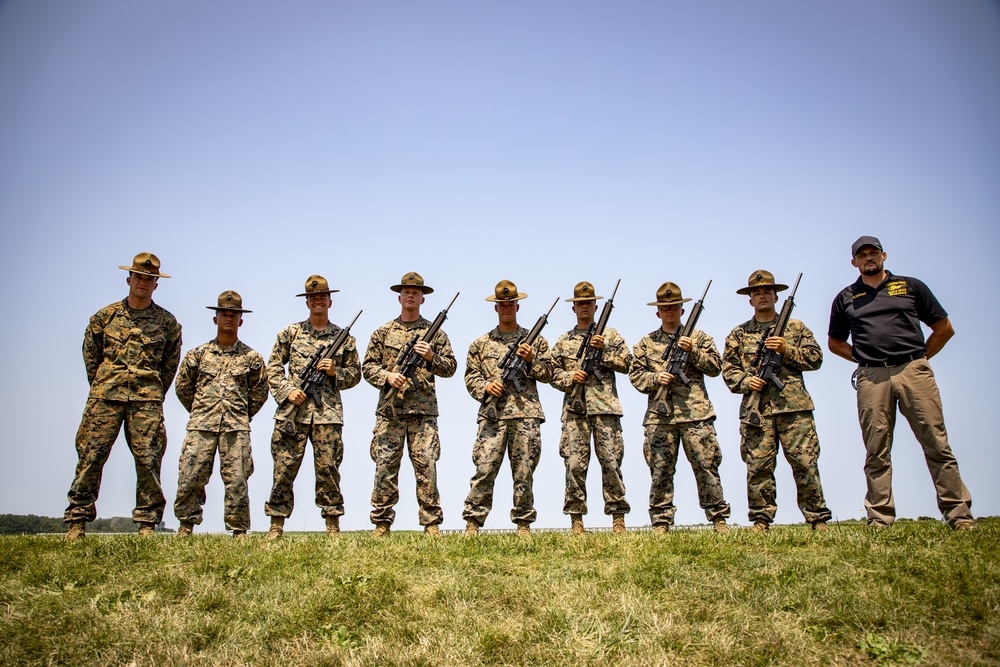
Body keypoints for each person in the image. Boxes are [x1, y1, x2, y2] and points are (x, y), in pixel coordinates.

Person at [828, 236, 974, 530]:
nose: (868, 258)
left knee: (936, 443)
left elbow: (944, 328)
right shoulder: (845, 297)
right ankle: (880, 519)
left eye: (873, 253)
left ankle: (959, 516)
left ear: (884, 256)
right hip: (872, 377)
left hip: (913, 370)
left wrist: (919, 359)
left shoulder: (910, 286)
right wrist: (864, 358)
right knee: (876, 449)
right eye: (862, 255)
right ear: (853, 262)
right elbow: (834, 342)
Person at [64, 252, 182, 540]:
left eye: (149, 279)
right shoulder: (105, 317)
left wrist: (151, 391)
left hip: (146, 401)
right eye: (139, 277)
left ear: (156, 285)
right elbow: (91, 357)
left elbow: (169, 365)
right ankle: (77, 520)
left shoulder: (167, 323)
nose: (143, 282)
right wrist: (104, 384)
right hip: (105, 398)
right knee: (91, 457)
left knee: (148, 460)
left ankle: (147, 523)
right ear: (129, 279)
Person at [722, 271, 832, 533]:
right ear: (750, 300)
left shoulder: (795, 328)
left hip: (794, 407)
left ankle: (817, 518)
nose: (762, 296)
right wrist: (748, 382)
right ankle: (761, 519)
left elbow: (815, 358)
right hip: (757, 410)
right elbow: (728, 370)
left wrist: (786, 350)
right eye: (757, 293)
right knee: (758, 465)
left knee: (805, 462)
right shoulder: (738, 334)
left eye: (767, 292)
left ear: (775, 296)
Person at [629, 282, 731, 535]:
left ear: (682, 310)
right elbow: (636, 376)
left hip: (696, 415)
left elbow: (716, 367)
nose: (670, 311)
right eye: (665, 308)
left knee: (706, 466)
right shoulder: (646, 342)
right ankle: (661, 521)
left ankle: (718, 518)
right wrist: (656, 379)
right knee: (660, 470)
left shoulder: (699, 338)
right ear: (658, 313)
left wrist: (693, 351)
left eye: (674, 307)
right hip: (660, 417)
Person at [264, 275, 361, 540]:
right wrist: (287, 391)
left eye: (322, 297)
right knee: (283, 469)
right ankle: (276, 524)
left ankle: (332, 525)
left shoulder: (343, 338)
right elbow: (272, 367)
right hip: (292, 413)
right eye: (313, 297)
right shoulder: (290, 333)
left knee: (329, 469)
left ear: (330, 301)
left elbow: (355, 374)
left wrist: (334, 372)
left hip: (327, 415)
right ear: (307, 302)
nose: (318, 301)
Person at [362, 272, 457, 538]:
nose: (411, 295)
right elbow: (367, 367)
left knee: (426, 466)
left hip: (423, 412)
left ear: (422, 298)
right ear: (400, 297)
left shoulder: (435, 334)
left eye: (416, 292)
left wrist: (431, 357)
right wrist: (387, 376)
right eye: (407, 291)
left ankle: (431, 524)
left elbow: (450, 367)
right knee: (385, 467)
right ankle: (381, 524)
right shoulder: (382, 332)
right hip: (390, 412)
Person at [462, 280, 554, 537]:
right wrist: (485, 388)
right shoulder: (480, 343)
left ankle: (523, 524)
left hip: (526, 414)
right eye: (501, 304)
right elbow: (470, 377)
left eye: (510, 304)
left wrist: (531, 360)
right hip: (493, 416)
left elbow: (549, 373)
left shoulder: (535, 341)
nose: (506, 308)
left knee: (524, 471)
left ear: (517, 306)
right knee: (484, 468)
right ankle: (473, 522)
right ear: (496, 308)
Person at [173, 291, 268, 538]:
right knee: (191, 476)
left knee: (237, 480)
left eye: (234, 315)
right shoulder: (198, 354)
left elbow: (260, 392)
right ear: (215, 319)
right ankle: (186, 525)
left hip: (236, 428)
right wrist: (201, 411)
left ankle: (238, 530)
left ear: (241, 320)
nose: (229, 318)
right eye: (224, 314)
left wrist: (242, 414)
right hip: (201, 426)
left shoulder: (251, 358)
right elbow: (183, 387)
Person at [550, 281, 631, 535]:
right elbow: (551, 373)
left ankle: (618, 517)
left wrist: (604, 351)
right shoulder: (564, 341)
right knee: (574, 465)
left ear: (596, 306)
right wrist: (570, 377)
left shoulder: (611, 336)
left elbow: (629, 364)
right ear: (574, 307)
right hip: (575, 412)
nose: (585, 307)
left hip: (606, 409)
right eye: (580, 303)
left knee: (611, 463)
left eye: (589, 303)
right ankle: (576, 519)